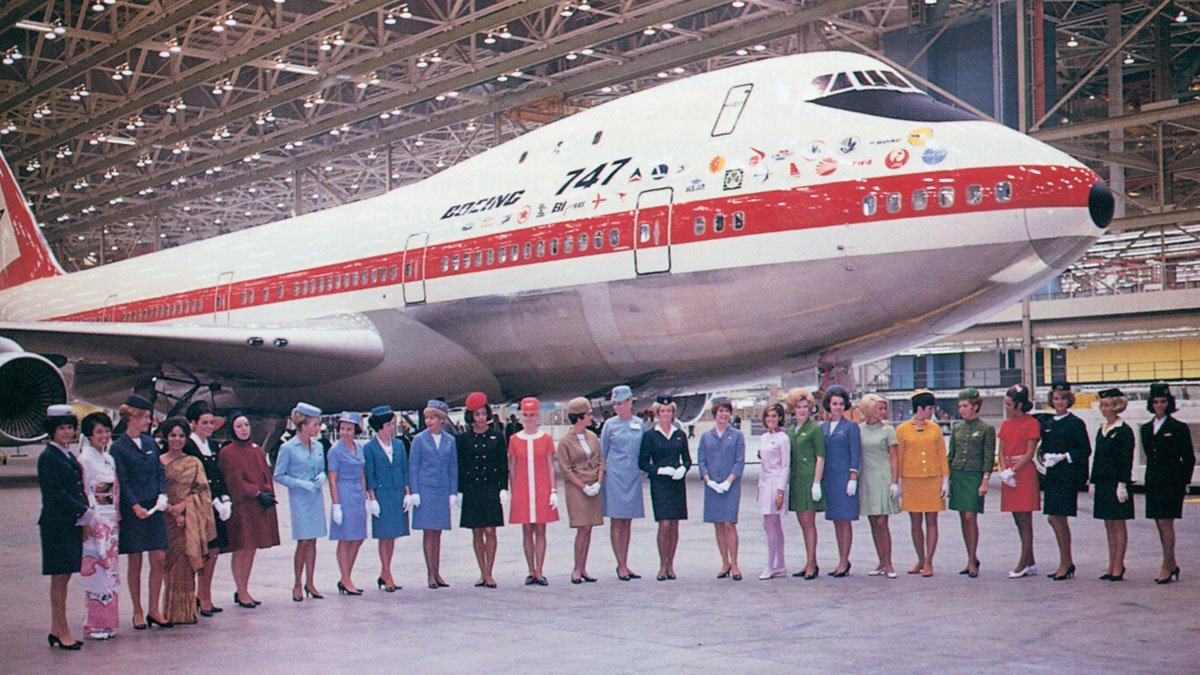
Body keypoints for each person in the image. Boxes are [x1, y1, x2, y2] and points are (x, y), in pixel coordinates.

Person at [111, 394, 170, 629]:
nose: (149, 421)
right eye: (146, 417)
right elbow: (122, 481)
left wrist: (162, 494)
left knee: (159, 558)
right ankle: (137, 610)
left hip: (154, 507)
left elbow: (159, 472)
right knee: (135, 561)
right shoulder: (119, 447)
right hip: (134, 510)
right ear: (133, 417)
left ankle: (154, 609)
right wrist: (135, 506)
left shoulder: (150, 443)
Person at [39, 405, 90, 650]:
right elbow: (56, 493)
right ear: (52, 430)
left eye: (70, 427)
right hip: (57, 524)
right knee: (60, 578)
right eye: (61, 428)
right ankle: (63, 631)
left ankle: (56, 628)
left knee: (64, 576)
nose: (66, 432)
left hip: (69, 522)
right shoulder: (48, 457)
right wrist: (82, 511)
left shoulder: (66, 454)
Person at [217, 411, 280, 607]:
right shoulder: (227, 452)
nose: (244, 429)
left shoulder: (256, 450)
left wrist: (267, 492)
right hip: (242, 506)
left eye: (246, 425)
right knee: (241, 548)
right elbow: (234, 481)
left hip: (257, 507)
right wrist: (255, 492)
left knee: (252, 548)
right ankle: (241, 589)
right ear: (232, 429)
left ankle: (243, 588)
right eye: (239, 426)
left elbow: (265, 474)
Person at [159, 417, 217, 625]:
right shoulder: (158, 461)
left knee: (185, 561)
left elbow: (202, 491)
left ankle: (185, 610)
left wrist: (183, 507)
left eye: (181, 436)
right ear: (165, 437)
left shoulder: (193, 463)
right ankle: (168, 610)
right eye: (172, 435)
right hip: (165, 519)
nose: (177, 439)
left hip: (188, 519)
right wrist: (171, 510)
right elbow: (154, 490)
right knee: (168, 563)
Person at [1140, 382, 1194, 584]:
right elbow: (1149, 454)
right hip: (1154, 480)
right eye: (1155, 402)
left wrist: (1184, 481)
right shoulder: (1146, 429)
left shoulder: (1178, 428)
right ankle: (1172, 564)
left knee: (1166, 523)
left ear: (1169, 403)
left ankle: (1166, 565)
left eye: (1163, 401)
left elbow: (1188, 457)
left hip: (1172, 481)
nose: (1159, 405)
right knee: (1158, 523)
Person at [273, 402, 328, 601]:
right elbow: (279, 475)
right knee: (303, 541)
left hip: (315, 497)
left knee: (313, 540)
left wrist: (322, 477)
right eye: (314, 424)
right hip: (300, 498)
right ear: (303, 425)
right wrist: (298, 483)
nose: (317, 428)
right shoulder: (288, 448)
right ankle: (297, 583)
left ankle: (310, 582)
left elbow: (321, 468)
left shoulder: (319, 446)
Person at [1038, 381, 1091, 581]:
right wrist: (1045, 456)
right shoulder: (1049, 424)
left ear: (1069, 400)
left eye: (1062, 399)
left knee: (1058, 518)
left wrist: (1064, 456)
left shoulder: (1075, 423)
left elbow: (1084, 449)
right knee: (1054, 518)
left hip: (1067, 475)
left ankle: (1066, 562)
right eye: (1056, 398)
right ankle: (1065, 561)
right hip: (1052, 475)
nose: (1059, 402)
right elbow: (1044, 446)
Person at [184, 401, 231, 616]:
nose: (209, 426)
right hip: (198, 505)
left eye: (211, 423)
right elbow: (193, 479)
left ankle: (205, 594)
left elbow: (218, 476)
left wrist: (225, 498)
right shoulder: (188, 446)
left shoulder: (213, 446)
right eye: (204, 422)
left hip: (215, 506)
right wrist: (213, 500)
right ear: (193, 423)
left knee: (214, 550)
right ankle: (194, 595)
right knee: (198, 551)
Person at [895, 389, 949, 577]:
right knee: (915, 522)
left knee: (932, 521)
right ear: (919, 408)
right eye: (929, 408)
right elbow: (899, 457)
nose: (931, 412)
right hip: (911, 480)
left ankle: (929, 561)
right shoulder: (901, 430)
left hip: (932, 479)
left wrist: (945, 480)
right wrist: (898, 482)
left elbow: (941, 454)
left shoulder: (935, 428)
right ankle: (920, 558)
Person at [457, 393, 507, 588]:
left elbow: (502, 464)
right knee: (477, 531)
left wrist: (503, 487)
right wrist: (459, 490)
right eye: (476, 414)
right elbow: (461, 465)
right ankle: (483, 572)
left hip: (490, 486)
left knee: (490, 530)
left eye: (483, 413)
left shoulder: (497, 436)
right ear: (471, 416)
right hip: (472, 487)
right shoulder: (463, 438)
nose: (480, 417)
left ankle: (490, 572)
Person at [638, 398, 690, 581]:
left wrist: (684, 469)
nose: (666, 415)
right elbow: (643, 462)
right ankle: (662, 563)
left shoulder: (680, 434)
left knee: (674, 524)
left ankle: (671, 564)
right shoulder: (650, 436)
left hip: (676, 483)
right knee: (664, 523)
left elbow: (687, 459)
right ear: (657, 414)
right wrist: (659, 470)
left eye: (669, 411)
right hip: (660, 483)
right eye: (663, 411)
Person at [78, 412, 120, 639]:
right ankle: (95, 624)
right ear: (89, 435)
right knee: (97, 569)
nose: (103, 436)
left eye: (106, 431)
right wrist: (92, 520)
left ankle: (108, 623)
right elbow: (85, 492)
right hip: (96, 520)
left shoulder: (108, 458)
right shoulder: (85, 459)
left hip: (111, 518)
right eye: (99, 432)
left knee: (111, 571)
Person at [509, 397, 559, 585]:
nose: (529, 419)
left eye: (532, 415)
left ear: (538, 416)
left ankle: (540, 570)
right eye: (526, 415)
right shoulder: (514, 439)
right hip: (523, 489)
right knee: (527, 529)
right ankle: (530, 570)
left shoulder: (545, 438)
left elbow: (550, 465)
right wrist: (514, 491)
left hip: (541, 488)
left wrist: (553, 490)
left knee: (541, 529)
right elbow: (512, 467)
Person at [409, 400, 459, 589]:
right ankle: (430, 573)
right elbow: (413, 466)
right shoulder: (419, 439)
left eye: (433, 418)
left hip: (442, 489)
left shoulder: (449, 440)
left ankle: (437, 572)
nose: (429, 422)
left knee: (437, 533)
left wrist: (453, 492)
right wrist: (414, 492)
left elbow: (453, 467)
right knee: (428, 532)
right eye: (427, 418)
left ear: (441, 420)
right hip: (426, 489)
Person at [556, 397, 605, 584]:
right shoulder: (565, 442)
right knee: (582, 527)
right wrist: (583, 486)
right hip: (577, 488)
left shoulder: (592, 437)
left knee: (589, 528)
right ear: (579, 417)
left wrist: (598, 483)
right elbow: (566, 470)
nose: (591, 417)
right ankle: (576, 568)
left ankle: (583, 567)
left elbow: (601, 460)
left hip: (593, 484)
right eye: (588, 414)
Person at [946, 388, 995, 578]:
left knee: (970, 517)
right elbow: (952, 455)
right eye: (960, 406)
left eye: (965, 406)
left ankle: (973, 558)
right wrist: (946, 479)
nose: (962, 409)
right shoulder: (957, 428)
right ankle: (970, 558)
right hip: (958, 475)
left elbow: (988, 458)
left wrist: (985, 481)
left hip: (974, 476)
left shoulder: (986, 429)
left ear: (975, 406)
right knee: (962, 518)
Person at [601, 385, 646, 581]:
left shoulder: (639, 423)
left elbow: (644, 450)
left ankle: (625, 562)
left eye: (621, 403)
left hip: (633, 475)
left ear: (630, 402)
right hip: (615, 476)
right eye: (615, 404)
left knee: (627, 521)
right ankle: (620, 564)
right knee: (616, 521)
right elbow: (602, 452)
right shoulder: (609, 425)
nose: (618, 407)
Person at [364, 405, 410, 593]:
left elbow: (404, 469)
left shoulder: (399, 445)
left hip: (397, 492)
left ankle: (385, 572)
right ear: (380, 426)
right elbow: (370, 474)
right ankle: (387, 573)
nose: (392, 427)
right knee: (384, 535)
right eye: (389, 424)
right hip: (382, 494)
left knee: (392, 536)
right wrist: (372, 498)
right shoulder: (370, 448)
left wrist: (408, 492)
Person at [698, 396, 745, 580]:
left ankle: (734, 563)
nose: (723, 414)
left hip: (729, 486)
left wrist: (729, 481)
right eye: (720, 411)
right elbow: (701, 460)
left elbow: (739, 461)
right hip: (712, 486)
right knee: (718, 523)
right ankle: (724, 562)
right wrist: (708, 480)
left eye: (726, 411)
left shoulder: (737, 435)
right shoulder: (705, 436)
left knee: (729, 523)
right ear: (715, 414)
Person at [997, 384, 1041, 578]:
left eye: (1009, 404)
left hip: (1023, 473)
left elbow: (1030, 452)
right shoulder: (1006, 425)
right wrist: (1003, 471)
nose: (1007, 407)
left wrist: (1013, 470)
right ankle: (1030, 560)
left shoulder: (1032, 423)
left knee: (1025, 519)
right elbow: (1001, 450)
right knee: (1017, 518)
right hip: (1009, 473)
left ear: (1019, 404)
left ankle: (1023, 562)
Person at [1091, 388, 1133, 581]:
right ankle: (1111, 562)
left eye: (1107, 405)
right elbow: (1097, 458)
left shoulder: (1124, 430)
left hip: (1117, 482)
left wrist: (1122, 483)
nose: (1103, 409)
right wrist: (1092, 482)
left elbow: (1126, 459)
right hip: (1103, 482)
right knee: (1108, 523)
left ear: (1116, 406)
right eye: (1102, 405)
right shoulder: (1102, 429)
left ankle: (1119, 564)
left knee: (1118, 523)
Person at [857, 393, 900, 578]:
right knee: (873, 521)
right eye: (879, 408)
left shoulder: (888, 430)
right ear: (868, 410)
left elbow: (894, 457)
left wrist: (894, 482)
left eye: (884, 408)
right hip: (866, 476)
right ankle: (881, 561)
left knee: (882, 521)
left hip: (883, 476)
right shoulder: (859, 429)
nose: (883, 412)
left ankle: (889, 563)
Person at [820, 385, 861, 577]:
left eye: (841, 404)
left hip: (845, 478)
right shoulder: (823, 428)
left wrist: (853, 477)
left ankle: (844, 561)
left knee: (845, 520)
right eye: (834, 403)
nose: (837, 407)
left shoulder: (851, 427)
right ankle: (841, 559)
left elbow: (856, 453)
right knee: (836, 520)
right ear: (828, 405)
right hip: (829, 479)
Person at [786, 387, 825, 579]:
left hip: (809, 478)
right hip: (796, 480)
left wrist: (816, 482)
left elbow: (820, 457)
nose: (802, 410)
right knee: (802, 522)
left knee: (809, 522)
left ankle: (811, 564)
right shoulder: (791, 431)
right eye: (798, 407)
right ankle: (811, 561)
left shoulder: (814, 429)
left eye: (805, 407)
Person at [328, 411, 368, 595]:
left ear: (355, 430)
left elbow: (361, 474)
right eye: (342, 429)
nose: (345, 433)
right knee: (345, 538)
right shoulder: (335, 451)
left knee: (358, 537)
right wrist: (336, 504)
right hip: (343, 492)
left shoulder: (359, 448)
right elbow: (332, 479)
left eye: (349, 429)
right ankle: (346, 578)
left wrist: (366, 496)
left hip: (357, 494)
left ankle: (346, 577)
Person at [757, 402, 790, 579]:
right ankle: (780, 565)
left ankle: (771, 565)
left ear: (780, 418)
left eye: (774, 416)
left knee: (771, 524)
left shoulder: (783, 438)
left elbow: (785, 466)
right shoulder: (764, 437)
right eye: (768, 416)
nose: (771, 419)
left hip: (775, 482)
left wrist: (780, 491)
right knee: (772, 525)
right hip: (764, 482)